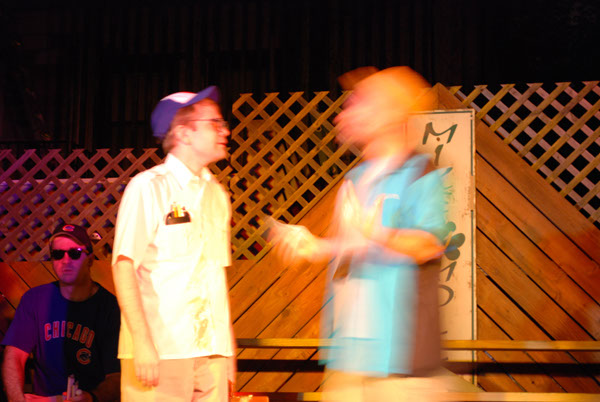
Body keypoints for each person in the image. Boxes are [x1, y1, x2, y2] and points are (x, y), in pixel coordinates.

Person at [269, 67, 449, 401]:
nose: (345, 114)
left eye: (360, 103)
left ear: (391, 113)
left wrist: (378, 232)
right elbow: (352, 249)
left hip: (399, 361)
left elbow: (428, 245)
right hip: (349, 354)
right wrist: (315, 246)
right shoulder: (355, 177)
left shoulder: (419, 172)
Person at [111, 86, 236, 401]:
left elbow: (215, 276)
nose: (225, 130)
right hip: (161, 349)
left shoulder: (217, 194)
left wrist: (228, 354)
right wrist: (142, 342)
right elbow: (124, 265)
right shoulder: (148, 187)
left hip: (211, 352)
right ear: (184, 133)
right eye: (215, 123)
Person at [1, 223, 121, 402]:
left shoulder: (109, 307)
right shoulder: (35, 299)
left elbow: (116, 377)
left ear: (90, 259)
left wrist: (90, 398)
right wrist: (17, 399)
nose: (66, 260)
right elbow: (14, 356)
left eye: (75, 253)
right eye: (58, 254)